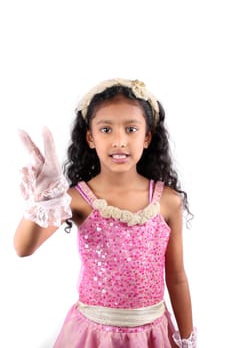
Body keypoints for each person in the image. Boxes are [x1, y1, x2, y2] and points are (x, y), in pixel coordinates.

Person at [14, 78, 197, 347]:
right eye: (106, 129)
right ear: (90, 137)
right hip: (94, 336)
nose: (119, 140)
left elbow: (177, 276)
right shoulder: (78, 199)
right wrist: (42, 202)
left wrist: (187, 338)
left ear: (147, 137)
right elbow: (23, 248)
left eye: (131, 129)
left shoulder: (167, 201)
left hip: (152, 335)